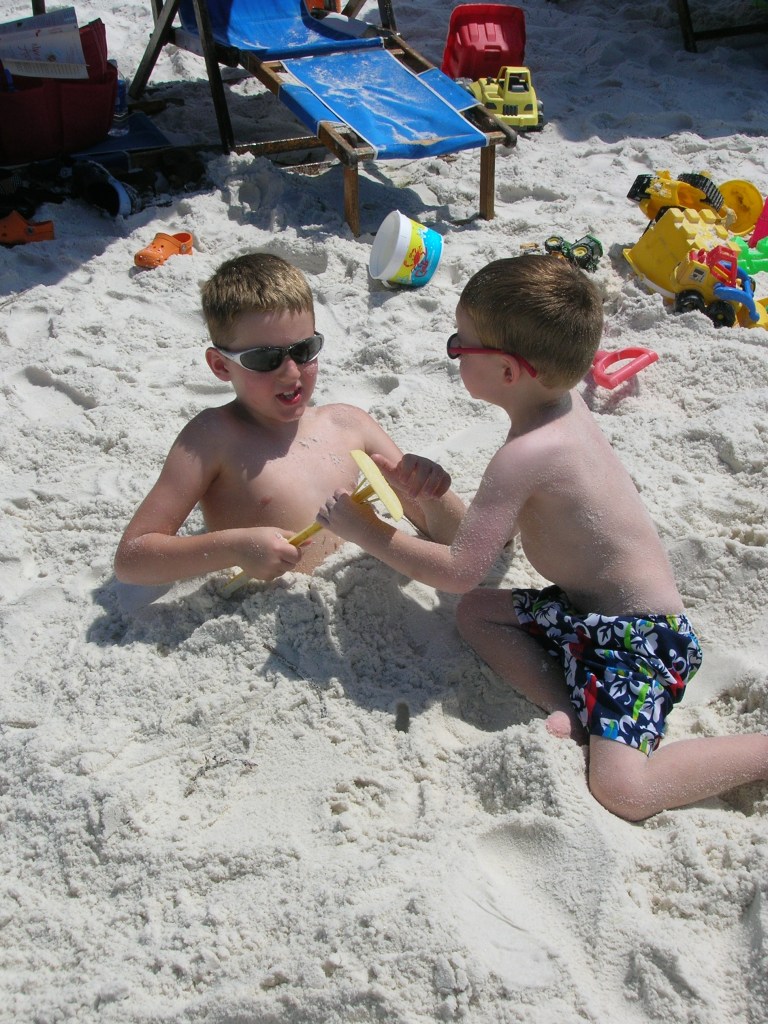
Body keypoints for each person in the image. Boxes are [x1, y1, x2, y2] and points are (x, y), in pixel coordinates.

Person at [316, 254, 768, 821]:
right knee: (478, 614)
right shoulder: (558, 408)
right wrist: (429, 495)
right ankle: (573, 711)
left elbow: (460, 571)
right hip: (584, 612)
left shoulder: (525, 455)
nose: (454, 351)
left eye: (460, 345)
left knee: (623, 791)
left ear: (508, 373)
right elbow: (496, 539)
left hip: (641, 640)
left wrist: (367, 531)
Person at [114, 252, 464, 587]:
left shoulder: (349, 425)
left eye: (303, 350)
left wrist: (431, 494)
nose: (291, 373)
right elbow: (132, 558)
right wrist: (233, 548)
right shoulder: (213, 438)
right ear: (221, 365)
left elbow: (457, 540)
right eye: (265, 359)